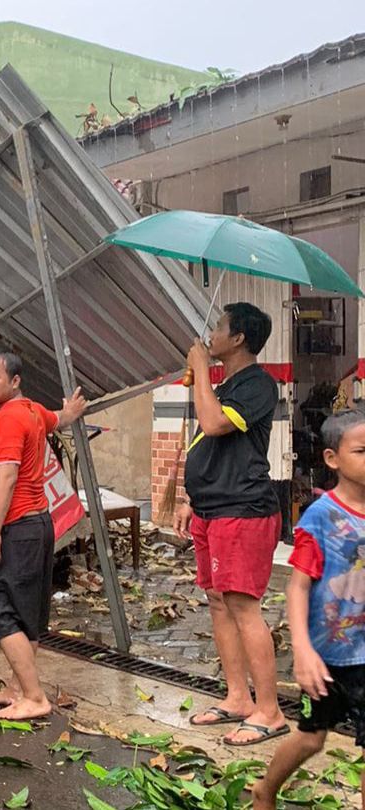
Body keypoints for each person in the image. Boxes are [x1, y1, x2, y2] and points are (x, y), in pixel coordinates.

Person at [174, 302, 287, 746]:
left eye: (219, 327)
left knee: (243, 607)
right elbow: (207, 445)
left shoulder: (258, 385)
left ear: (238, 338)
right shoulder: (228, 384)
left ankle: (271, 711)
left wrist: (201, 368)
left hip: (244, 510)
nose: (212, 333)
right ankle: (238, 697)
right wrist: (191, 498)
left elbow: (214, 423)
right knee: (218, 602)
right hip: (211, 509)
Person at [251, 410, 365, 809]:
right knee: (312, 737)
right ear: (333, 459)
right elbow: (298, 586)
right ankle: (265, 788)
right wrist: (302, 649)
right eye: (362, 451)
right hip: (327, 657)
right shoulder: (321, 518)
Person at [0, 351, 86, 721]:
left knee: (0, 609)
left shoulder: (8, 420)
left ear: (15, 381)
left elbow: (7, 476)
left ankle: (34, 698)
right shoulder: (33, 411)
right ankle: (19, 688)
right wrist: (70, 411)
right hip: (34, 526)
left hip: (14, 529)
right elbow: (59, 420)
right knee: (24, 614)